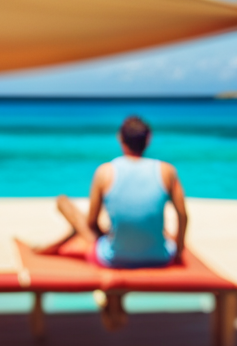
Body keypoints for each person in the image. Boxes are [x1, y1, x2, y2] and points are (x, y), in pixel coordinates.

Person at [36, 116, 188, 329]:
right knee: (151, 232)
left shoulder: (105, 171)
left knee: (64, 203)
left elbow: (91, 223)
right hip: (159, 257)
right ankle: (115, 301)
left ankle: (112, 300)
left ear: (120, 139)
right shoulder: (166, 171)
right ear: (148, 140)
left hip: (114, 257)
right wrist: (179, 251)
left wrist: (103, 234)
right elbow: (183, 216)